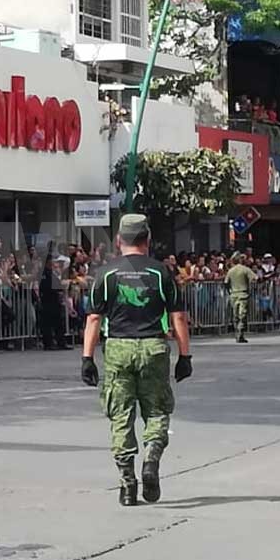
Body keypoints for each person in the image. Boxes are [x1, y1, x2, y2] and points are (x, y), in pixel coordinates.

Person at [81, 214, 192, 507]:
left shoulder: (105, 274)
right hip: (154, 346)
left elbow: (94, 318)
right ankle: (151, 460)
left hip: (117, 348)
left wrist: (87, 358)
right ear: (148, 239)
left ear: (119, 241)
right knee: (156, 411)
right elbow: (178, 316)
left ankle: (127, 481)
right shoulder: (161, 272)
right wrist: (185, 355)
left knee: (121, 415)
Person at [224, 252, 257, 343]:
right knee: (242, 315)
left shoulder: (231, 270)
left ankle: (237, 333)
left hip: (233, 295)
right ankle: (240, 333)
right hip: (243, 294)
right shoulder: (246, 269)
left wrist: (229, 291)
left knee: (235, 316)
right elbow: (255, 278)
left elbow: (226, 282)